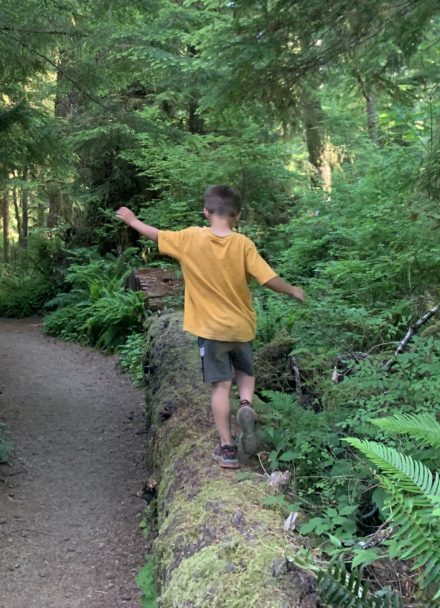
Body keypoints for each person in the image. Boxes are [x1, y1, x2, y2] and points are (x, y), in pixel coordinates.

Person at [116, 185, 305, 470]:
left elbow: (157, 235)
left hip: (210, 330)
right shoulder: (243, 244)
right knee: (245, 372)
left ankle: (228, 448)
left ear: (206, 211)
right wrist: (292, 291)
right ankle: (245, 405)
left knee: (219, 386)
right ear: (237, 215)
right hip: (241, 326)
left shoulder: (191, 238)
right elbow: (268, 279)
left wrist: (132, 221)